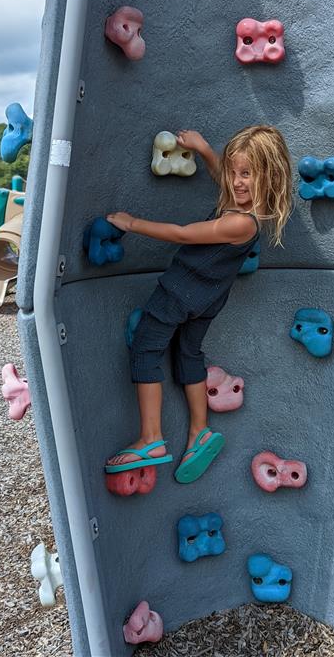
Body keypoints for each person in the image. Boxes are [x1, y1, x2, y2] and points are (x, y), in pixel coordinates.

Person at [104, 124, 293, 484]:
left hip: (179, 292)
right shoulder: (248, 211)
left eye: (248, 175)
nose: (237, 182)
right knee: (188, 354)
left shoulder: (239, 223)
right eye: (236, 173)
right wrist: (206, 150)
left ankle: (151, 438)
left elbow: (181, 233)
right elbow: (222, 177)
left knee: (146, 347)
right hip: (206, 300)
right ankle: (200, 431)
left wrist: (132, 223)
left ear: (269, 178)